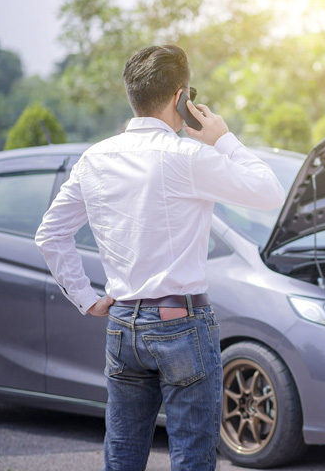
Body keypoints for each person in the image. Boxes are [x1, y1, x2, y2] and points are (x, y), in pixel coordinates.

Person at [35, 44, 285, 471]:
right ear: (181, 97)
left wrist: (86, 298)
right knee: (191, 456)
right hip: (182, 325)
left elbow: (50, 235)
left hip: (122, 324)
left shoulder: (94, 158)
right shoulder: (188, 156)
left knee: (123, 455)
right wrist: (223, 138)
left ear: (134, 95)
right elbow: (269, 192)